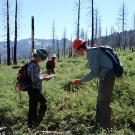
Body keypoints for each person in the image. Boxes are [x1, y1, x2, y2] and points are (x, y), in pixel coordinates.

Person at [71, 39, 115, 130]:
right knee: (100, 101)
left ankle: (106, 128)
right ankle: (98, 125)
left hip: (107, 77)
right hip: (105, 77)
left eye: (76, 51)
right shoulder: (93, 51)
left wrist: (81, 80)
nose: (77, 53)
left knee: (104, 103)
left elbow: (94, 72)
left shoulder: (91, 53)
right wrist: (83, 80)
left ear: (80, 49)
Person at [27, 49, 52, 129]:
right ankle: (31, 124)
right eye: (42, 58)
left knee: (42, 101)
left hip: (33, 88)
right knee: (33, 107)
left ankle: (40, 114)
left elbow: (35, 76)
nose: (43, 60)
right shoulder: (34, 65)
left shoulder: (31, 63)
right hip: (34, 89)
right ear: (38, 56)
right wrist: (44, 78)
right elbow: (34, 79)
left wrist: (43, 76)